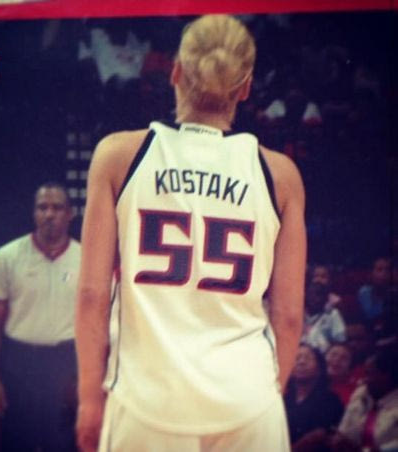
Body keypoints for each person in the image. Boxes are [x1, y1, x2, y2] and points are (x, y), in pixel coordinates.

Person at [76, 14, 306, 452]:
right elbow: (290, 315)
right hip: (246, 398)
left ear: (176, 72)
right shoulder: (280, 175)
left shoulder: (118, 155)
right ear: (245, 87)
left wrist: (89, 398)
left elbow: (91, 295)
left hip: (147, 399)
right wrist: (266, 392)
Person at [0, 182, 80, 452]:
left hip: (67, 364)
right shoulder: (7, 257)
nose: (49, 214)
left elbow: (97, 324)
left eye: (57, 208)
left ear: (70, 214)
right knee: (17, 442)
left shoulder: (85, 259)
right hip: (20, 364)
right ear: (34, 213)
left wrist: (88, 379)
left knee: (65, 445)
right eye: (42, 207)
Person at [329, 345, 398, 452]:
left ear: (387, 376)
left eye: (370, 374)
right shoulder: (362, 392)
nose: (363, 380)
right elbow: (344, 432)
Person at [284, 344, 344, 450]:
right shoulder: (284, 399)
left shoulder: (330, 400)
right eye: (297, 358)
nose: (301, 362)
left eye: (308, 358)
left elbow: (319, 435)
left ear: (319, 368)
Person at [302, 281, 347, 353]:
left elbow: (340, 341)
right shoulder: (298, 314)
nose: (314, 298)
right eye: (311, 294)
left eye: (318, 294)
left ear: (325, 297)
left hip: (324, 354)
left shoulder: (333, 314)